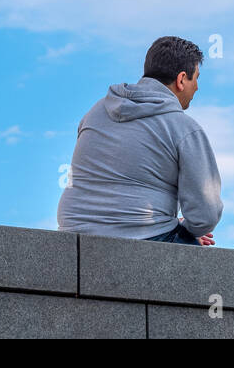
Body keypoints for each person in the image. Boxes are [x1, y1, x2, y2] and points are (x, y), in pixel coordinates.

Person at [57, 36, 222, 245]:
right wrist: (183, 228)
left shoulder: (96, 112)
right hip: (144, 238)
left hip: (71, 234)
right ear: (181, 80)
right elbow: (206, 216)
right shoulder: (184, 128)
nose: (197, 87)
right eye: (196, 78)